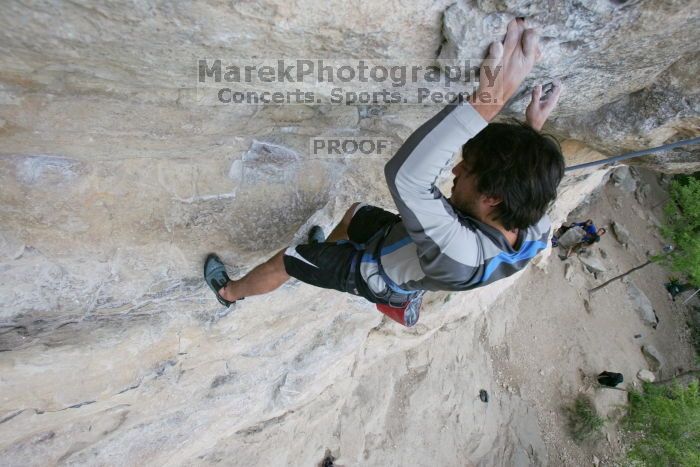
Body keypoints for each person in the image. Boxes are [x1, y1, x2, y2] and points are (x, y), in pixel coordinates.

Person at [204, 18, 566, 326]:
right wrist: (531, 132)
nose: (455, 169)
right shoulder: (534, 225)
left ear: (492, 198)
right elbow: (529, 182)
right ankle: (333, 249)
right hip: (406, 248)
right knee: (355, 214)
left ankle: (229, 292)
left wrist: (487, 102)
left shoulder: (461, 254)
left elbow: (407, 177)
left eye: (467, 169)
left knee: (288, 260)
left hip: (375, 273)